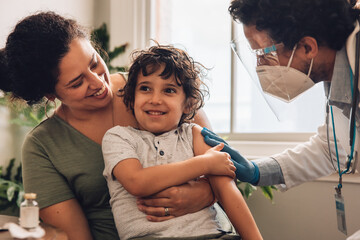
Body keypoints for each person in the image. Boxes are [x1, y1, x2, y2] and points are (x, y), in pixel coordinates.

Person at [0, 11, 224, 240]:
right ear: (50, 94)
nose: (98, 82)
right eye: (77, 83)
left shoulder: (158, 88)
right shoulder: (43, 147)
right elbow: (75, 236)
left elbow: (225, 163)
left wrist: (207, 194)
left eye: (94, 63)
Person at [202, 0, 360, 238]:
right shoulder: (339, 72)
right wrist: (257, 171)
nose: (259, 66)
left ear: (307, 47)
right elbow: (333, 148)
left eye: (263, 52)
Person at [102, 44, 262, 240]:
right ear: (131, 97)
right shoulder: (118, 138)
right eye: (145, 88)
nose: (155, 99)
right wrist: (204, 164)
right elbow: (137, 182)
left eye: (168, 90)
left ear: (187, 104)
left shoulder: (193, 134)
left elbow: (226, 188)